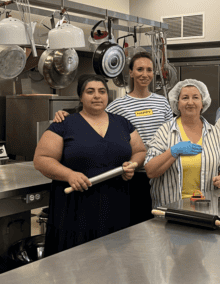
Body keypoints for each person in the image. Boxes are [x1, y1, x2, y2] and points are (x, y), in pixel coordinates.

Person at [53, 52, 173, 225]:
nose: (144, 74)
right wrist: (67, 115)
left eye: (149, 70)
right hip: (132, 175)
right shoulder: (117, 105)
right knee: (136, 223)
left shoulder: (162, 102)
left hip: (161, 172)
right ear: (131, 72)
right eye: (139, 69)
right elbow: (94, 116)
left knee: (161, 222)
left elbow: (172, 133)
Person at [34, 74, 147, 257]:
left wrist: (132, 164)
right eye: (90, 91)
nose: (97, 96)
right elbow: (41, 159)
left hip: (116, 204)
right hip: (75, 209)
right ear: (81, 96)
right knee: (76, 261)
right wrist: (69, 174)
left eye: (102, 91)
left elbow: (140, 150)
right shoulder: (64, 124)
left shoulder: (122, 123)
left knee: (115, 259)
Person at [144, 79, 220, 208]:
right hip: (171, 208)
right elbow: (150, 171)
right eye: (185, 98)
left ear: (203, 103)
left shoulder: (215, 133)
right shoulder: (165, 131)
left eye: (195, 97)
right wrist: (173, 151)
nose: (190, 102)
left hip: (207, 207)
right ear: (177, 104)